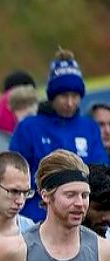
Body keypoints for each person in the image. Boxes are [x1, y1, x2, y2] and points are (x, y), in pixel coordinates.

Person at [11, 49, 109, 221]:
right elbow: (15, 174)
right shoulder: (29, 127)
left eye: (75, 96)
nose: (70, 102)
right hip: (37, 217)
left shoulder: (89, 127)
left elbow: (101, 172)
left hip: (81, 219)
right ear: (52, 96)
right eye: (64, 96)